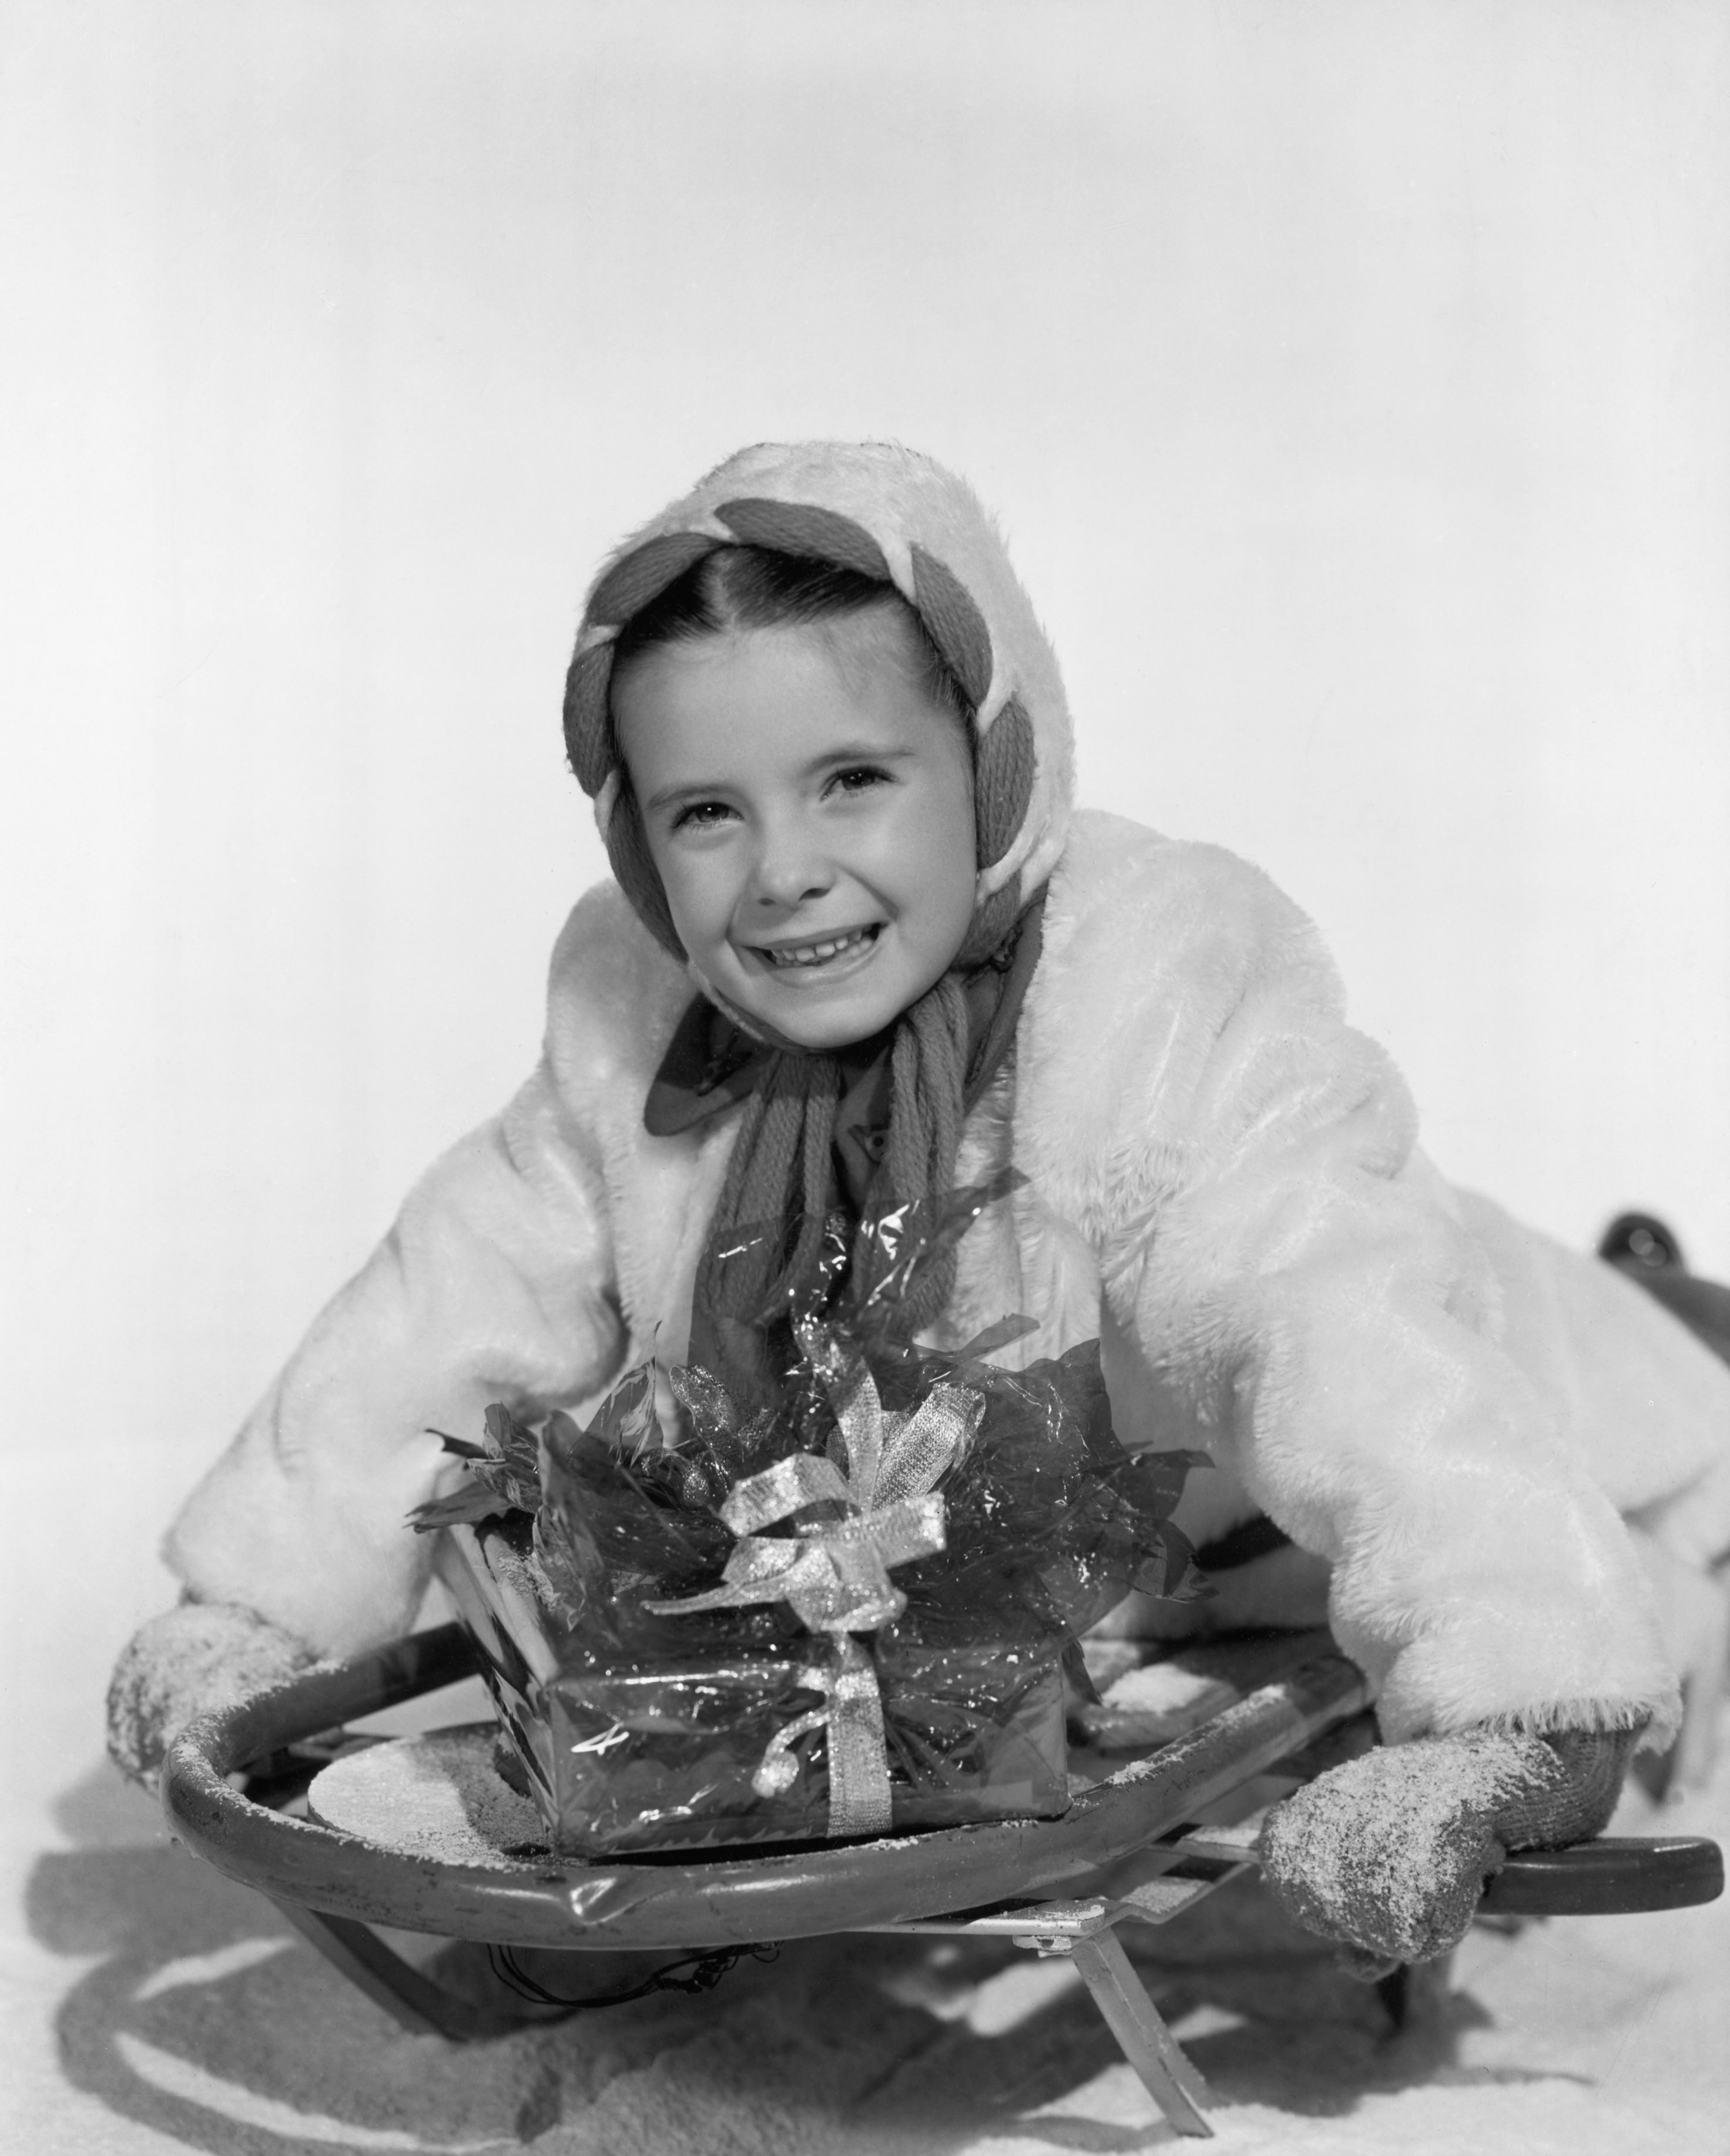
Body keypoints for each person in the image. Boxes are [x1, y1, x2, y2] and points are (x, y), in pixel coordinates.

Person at [108, 440, 1730, 1971]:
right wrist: (254, 1596)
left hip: (1468, 1430)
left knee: (1679, 1373)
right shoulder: (642, 1036)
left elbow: (1340, 1335)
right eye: (707, 810)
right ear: (634, 835)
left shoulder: (1152, 1007)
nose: (783, 870)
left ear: (992, 766)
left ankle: (1670, 1319)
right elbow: (448, 1298)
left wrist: (1511, 1691)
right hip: (1063, 1580)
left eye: (853, 779)